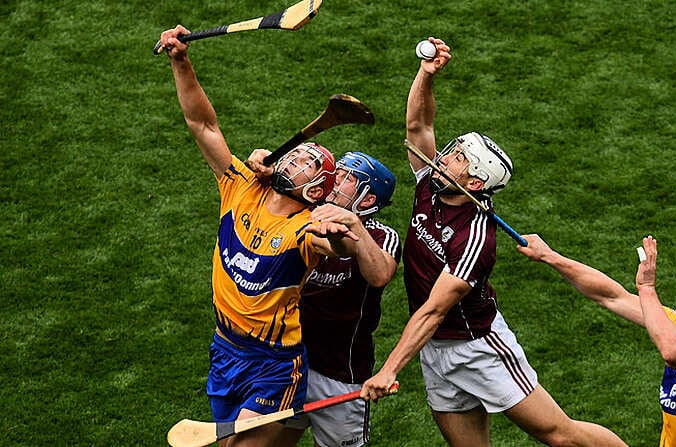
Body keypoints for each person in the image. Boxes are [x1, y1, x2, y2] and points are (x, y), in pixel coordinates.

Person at [360, 37, 627, 447]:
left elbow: (434, 310)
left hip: (477, 347)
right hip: (433, 349)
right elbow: (419, 126)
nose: (444, 157)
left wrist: (390, 369)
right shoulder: (432, 184)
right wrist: (425, 75)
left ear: (475, 182)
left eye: (457, 158)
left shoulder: (475, 239)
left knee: (561, 435)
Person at [159, 26, 364, 447]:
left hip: (273, 365)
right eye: (297, 154)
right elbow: (203, 124)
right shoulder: (241, 185)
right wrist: (180, 60)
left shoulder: (304, 228)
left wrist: (341, 233)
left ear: (313, 191)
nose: (293, 159)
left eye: (306, 163)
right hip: (224, 350)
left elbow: (334, 246)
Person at [517, 234, 676, 446]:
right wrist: (550, 256)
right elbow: (613, 296)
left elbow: (675, 353)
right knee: (565, 436)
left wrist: (648, 289)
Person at [247, 150, 402, 447]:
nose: (334, 180)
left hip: (340, 374)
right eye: (337, 173)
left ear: (367, 200)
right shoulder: (305, 213)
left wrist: (353, 225)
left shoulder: (382, 236)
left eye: (346, 179)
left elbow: (380, 275)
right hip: (288, 364)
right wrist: (267, 168)